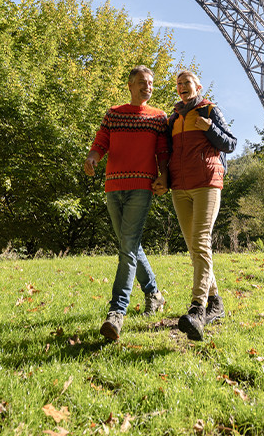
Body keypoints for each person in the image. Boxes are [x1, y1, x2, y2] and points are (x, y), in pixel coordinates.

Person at [84, 65, 170, 342]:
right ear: (131, 85)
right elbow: (101, 142)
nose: (148, 87)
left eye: (151, 83)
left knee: (128, 247)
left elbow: (163, 152)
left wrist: (164, 176)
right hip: (113, 186)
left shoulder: (158, 117)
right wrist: (93, 157)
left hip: (141, 188)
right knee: (128, 244)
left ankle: (116, 312)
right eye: (143, 83)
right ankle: (154, 293)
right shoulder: (114, 114)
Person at [167, 69, 236, 341]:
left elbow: (230, 143)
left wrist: (211, 129)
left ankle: (197, 309)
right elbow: (166, 152)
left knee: (201, 241)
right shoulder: (173, 118)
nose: (183, 87)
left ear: (198, 87)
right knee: (193, 246)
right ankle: (216, 302)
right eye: (179, 84)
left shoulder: (209, 111)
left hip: (207, 182)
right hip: (179, 187)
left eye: (188, 83)